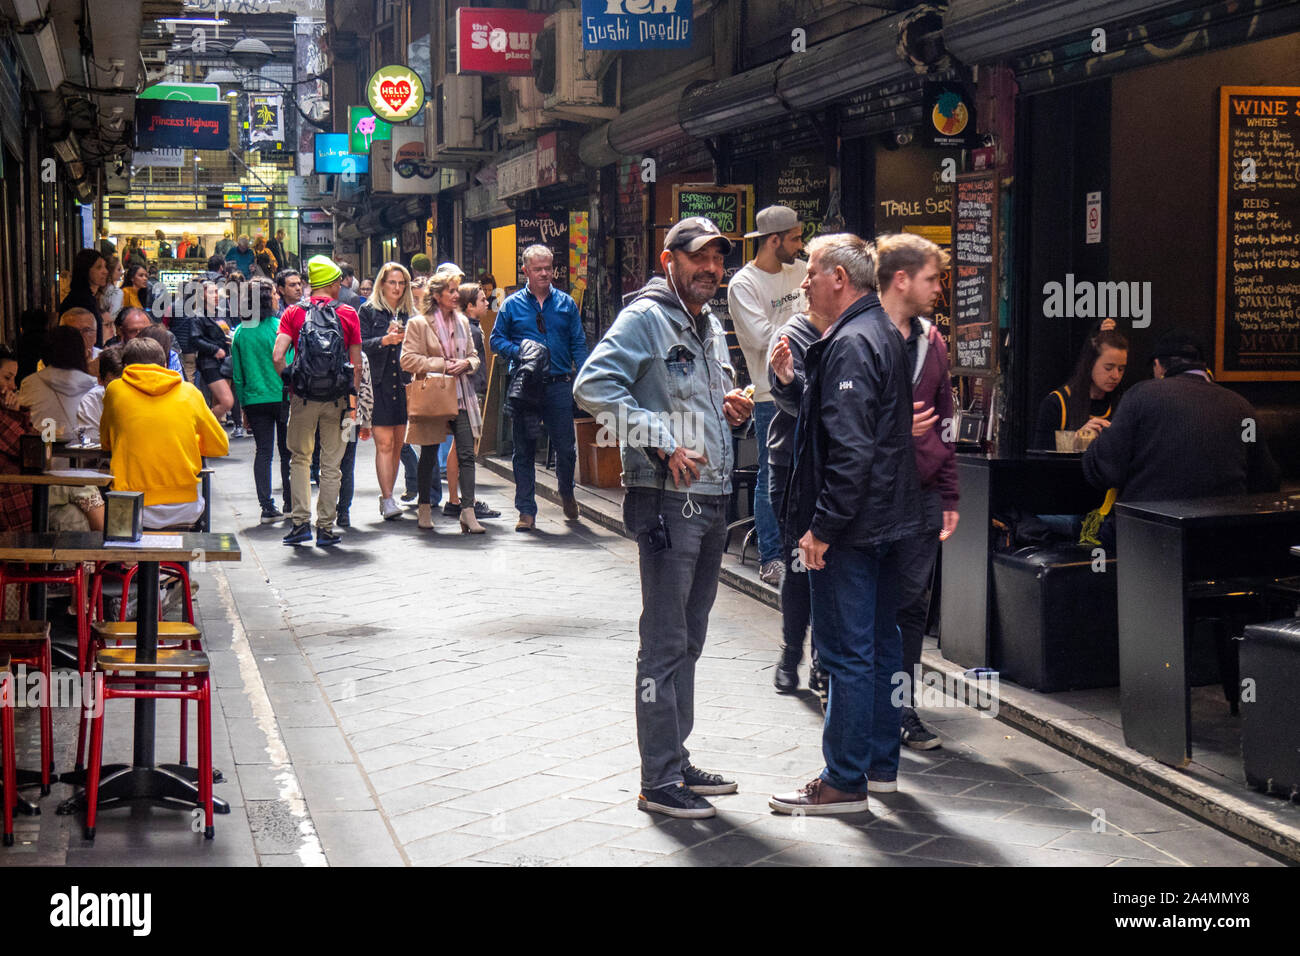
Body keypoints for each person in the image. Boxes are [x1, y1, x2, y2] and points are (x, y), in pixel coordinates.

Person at [574, 216, 755, 819]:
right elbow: (592, 386)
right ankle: (658, 779)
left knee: (692, 638)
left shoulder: (707, 324)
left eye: (718, 260)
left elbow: (707, 395)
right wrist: (656, 437)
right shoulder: (645, 318)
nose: (712, 269)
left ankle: (675, 757)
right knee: (664, 641)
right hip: (668, 498)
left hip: (712, 495)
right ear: (669, 258)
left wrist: (728, 408)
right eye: (700, 258)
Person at [768, 233, 923, 815]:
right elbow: (854, 422)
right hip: (889, 522)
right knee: (882, 646)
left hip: (855, 530)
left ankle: (843, 781)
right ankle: (879, 768)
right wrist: (794, 385)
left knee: (847, 653)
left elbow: (851, 451)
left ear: (839, 277)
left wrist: (822, 529)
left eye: (810, 271)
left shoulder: (852, 341)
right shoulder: (878, 330)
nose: (803, 283)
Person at [872, 232, 959, 751]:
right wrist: (896, 428)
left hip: (922, 492)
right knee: (872, 605)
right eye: (932, 278)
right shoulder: (859, 333)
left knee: (911, 607)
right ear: (901, 279)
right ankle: (860, 702)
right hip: (873, 493)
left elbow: (946, 416)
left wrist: (948, 492)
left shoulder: (933, 339)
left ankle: (903, 710)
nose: (939, 288)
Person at [1082, 330, 1280, 552]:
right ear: (1202, 365)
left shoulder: (1141, 396)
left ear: (1158, 365)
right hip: (1222, 539)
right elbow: (1267, 480)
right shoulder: (1242, 407)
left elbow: (1107, 471)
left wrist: (1093, 446)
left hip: (1148, 538)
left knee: (1076, 525)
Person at [727, 205, 808, 586]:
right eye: (794, 238)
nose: (800, 244)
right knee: (770, 475)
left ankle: (798, 553)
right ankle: (771, 557)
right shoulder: (744, 284)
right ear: (774, 240)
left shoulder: (800, 270)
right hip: (767, 395)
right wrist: (808, 321)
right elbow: (763, 337)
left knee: (803, 473)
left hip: (806, 387)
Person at [491, 244, 588, 530]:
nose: (545, 273)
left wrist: (583, 377)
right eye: (538, 269)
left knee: (566, 448)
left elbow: (578, 343)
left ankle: (566, 492)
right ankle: (526, 511)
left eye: (548, 268)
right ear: (526, 271)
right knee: (524, 448)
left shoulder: (566, 304)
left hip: (559, 384)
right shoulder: (511, 305)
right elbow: (496, 340)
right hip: (526, 386)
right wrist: (520, 350)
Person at [273, 255, 363, 547]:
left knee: (299, 459)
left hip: (303, 398)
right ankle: (326, 527)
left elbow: (277, 356)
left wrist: (292, 383)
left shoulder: (293, 313)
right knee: (332, 465)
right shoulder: (349, 313)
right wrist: (353, 403)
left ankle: (300, 524)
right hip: (339, 400)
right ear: (334, 282)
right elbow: (356, 365)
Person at [101, 337, 228, 530]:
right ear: (166, 365)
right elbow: (220, 446)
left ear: (125, 367)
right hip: (184, 506)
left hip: (132, 505)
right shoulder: (190, 393)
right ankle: (182, 561)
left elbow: (106, 443)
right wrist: (187, 439)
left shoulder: (115, 390)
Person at [767, 307, 826, 695]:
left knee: (828, 568)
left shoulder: (853, 329)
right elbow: (798, 403)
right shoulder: (794, 334)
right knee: (798, 562)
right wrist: (789, 379)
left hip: (830, 468)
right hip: (791, 465)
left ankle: (823, 660)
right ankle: (791, 653)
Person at [399, 274, 485, 533]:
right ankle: (424, 507)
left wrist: (468, 363)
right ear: (437, 295)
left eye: (457, 290)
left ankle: (467, 512)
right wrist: (443, 365)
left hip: (461, 395)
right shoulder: (419, 324)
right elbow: (408, 360)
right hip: (434, 396)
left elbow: (474, 355)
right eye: (451, 290)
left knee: (467, 453)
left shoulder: (462, 322)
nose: (456, 294)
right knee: (428, 453)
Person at [18, 326, 105, 531]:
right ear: (80, 352)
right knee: (98, 522)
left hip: (41, 471)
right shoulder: (93, 386)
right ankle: (119, 558)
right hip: (82, 471)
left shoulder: (29, 383)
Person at [358, 262, 414, 520]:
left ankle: (388, 495)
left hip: (402, 384)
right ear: (382, 283)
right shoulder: (369, 311)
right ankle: (388, 498)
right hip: (378, 384)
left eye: (401, 283)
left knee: (398, 444)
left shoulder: (408, 314)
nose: (397, 287)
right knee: (384, 443)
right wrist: (385, 340)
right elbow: (358, 346)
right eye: (392, 282)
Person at [234, 281, 291, 523]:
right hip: (283, 397)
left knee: (263, 452)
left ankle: (267, 507)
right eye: (276, 295)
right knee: (288, 452)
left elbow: (238, 376)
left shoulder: (240, 332)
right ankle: (290, 503)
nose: (278, 298)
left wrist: (243, 408)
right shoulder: (280, 328)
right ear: (268, 300)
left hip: (254, 400)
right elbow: (290, 364)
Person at [448, 281, 500, 520]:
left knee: (459, 447)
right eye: (481, 300)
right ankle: (458, 500)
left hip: (465, 392)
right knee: (462, 448)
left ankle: (455, 498)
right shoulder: (472, 329)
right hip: (467, 393)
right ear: (469, 306)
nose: (487, 302)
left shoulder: (469, 326)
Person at [1031, 327, 1129, 451]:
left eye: (1121, 369)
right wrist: (1074, 441)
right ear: (1089, 364)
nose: (1116, 376)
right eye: (1108, 368)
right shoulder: (1057, 403)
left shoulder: (1122, 403)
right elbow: (1039, 457)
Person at [193, 285, 236, 426]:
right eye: (211, 292)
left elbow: (226, 333)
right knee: (227, 401)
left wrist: (230, 337)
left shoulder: (220, 313)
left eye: (216, 292)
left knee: (219, 401)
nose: (216, 295)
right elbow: (194, 339)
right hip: (209, 363)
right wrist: (214, 349)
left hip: (225, 362)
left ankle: (212, 433)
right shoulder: (197, 315)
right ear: (202, 295)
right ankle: (201, 425)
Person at [75, 344, 125, 445]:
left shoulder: (141, 398)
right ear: (100, 380)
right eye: (112, 383)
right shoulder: (91, 402)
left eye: (125, 382)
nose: (119, 389)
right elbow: (91, 443)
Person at [59, 249, 109, 348]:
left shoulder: (90, 298)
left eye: (105, 267)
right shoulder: (80, 300)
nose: (105, 271)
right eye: (99, 267)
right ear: (86, 270)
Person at [100, 256, 124, 336]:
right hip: (110, 332)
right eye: (118, 269)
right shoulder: (117, 293)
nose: (121, 272)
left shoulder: (98, 290)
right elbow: (113, 316)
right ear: (110, 271)